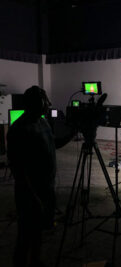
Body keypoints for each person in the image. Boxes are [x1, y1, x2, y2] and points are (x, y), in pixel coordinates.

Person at [7, 86, 56, 267]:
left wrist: (75, 132)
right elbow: (19, 170)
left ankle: (35, 260)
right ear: (35, 103)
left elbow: (54, 143)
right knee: (25, 234)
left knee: (38, 231)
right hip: (30, 192)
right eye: (44, 99)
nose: (48, 103)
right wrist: (33, 197)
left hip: (47, 186)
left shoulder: (42, 122)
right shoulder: (19, 129)